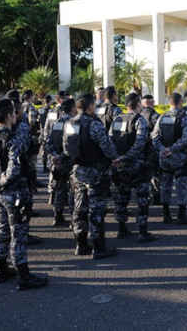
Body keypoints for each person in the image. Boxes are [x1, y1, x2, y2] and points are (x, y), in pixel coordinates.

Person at [0, 98, 48, 290]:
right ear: (9, 116)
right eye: (14, 113)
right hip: (13, 193)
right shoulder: (12, 138)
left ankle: (1, 268)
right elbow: (14, 168)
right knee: (18, 234)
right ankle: (24, 276)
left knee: (1, 231)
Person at [65, 94, 121, 258]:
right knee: (96, 209)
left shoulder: (69, 123)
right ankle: (98, 247)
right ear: (90, 107)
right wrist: (114, 158)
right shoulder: (94, 124)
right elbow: (106, 145)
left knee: (79, 208)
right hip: (94, 171)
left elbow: (66, 145)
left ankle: (81, 244)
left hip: (77, 170)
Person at [109, 93, 157, 242]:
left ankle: (122, 229)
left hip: (119, 165)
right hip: (137, 165)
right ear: (138, 104)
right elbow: (140, 142)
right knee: (142, 198)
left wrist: (116, 158)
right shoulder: (139, 120)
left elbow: (109, 139)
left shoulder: (117, 120)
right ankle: (142, 232)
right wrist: (127, 157)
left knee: (121, 197)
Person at [152, 92, 187, 225]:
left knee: (165, 185)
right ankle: (181, 215)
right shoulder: (184, 117)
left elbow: (154, 135)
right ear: (180, 102)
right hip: (179, 157)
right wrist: (172, 149)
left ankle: (166, 215)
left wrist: (162, 149)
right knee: (181, 186)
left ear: (169, 102)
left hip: (164, 158)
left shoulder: (162, 117)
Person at [7, 89, 41, 245]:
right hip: (19, 172)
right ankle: (22, 235)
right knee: (22, 206)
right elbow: (22, 149)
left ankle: (9, 233)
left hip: (4, 174)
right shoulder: (21, 127)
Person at [43, 98, 76, 227]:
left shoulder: (57, 122)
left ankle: (58, 216)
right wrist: (63, 156)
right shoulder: (72, 123)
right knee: (73, 190)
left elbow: (48, 142)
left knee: (59, 189)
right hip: (68, 161)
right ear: (72, 108)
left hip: (57, 161)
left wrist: (55, 156)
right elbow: (72, 144)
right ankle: (74, 219)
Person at [140, 94, 161, 205]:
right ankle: (156, 196)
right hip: (152, 149)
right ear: (152, 102)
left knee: (143, 175)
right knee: (155, 174)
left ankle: (145, 197)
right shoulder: (156, 116)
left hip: (139, 150)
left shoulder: (137, 115)